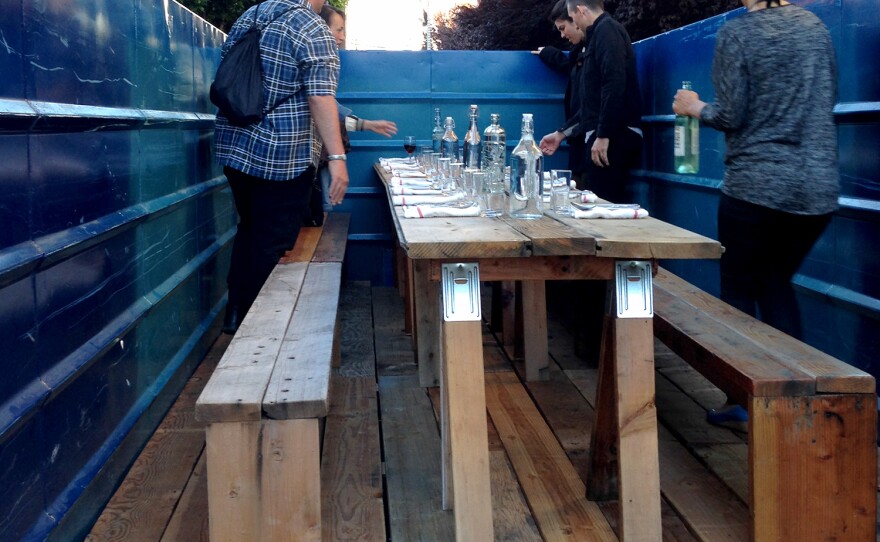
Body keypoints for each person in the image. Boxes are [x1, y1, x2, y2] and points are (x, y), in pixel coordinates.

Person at [672, 0, 839, 428]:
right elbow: (828, 96)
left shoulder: (738, 33)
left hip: (757, 185)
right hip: (817, 187)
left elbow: (731, 114)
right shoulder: (814, 26)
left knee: (740, 293)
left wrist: (692, 106)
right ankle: (797, 406)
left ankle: (744, 402)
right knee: (777, 283)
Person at [214, 0, 348, 334]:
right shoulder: (313, 27)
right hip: (281, 154)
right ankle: (255, 330)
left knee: (250, 229)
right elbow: (320, 97)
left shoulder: (251, 15)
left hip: (234, 144)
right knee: (272, 241)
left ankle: (236, 311)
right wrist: (338, 158)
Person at [315, 4, 397, 213]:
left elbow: (334, 114)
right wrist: (338, 158)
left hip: (315, 163)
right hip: (309, 166)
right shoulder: (316, 66)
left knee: (323, 211)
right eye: (339, 30)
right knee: (321, 213)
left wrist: (367, 125)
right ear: (322, 29)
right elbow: (329, 113)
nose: (342, 37)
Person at [566, 0, 642, 204]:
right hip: (606, 133)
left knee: (603, 206)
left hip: (613, 136)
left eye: (573, 19)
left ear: (581, 10)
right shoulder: (600, 34)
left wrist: (603, 135)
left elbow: (614, 82)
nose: (576, 25)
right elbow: (594, 96)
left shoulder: (606, 31)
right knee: (597, 203)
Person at [534, 0, 588, 189]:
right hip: (581, 138)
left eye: (563, 28)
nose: (562, 35)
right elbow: (573, 69)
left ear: (577, 18)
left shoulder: (598, 44)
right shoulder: (583, 50)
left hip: (592, 138)